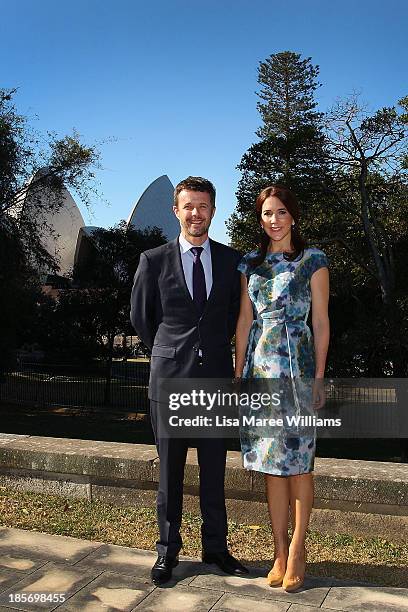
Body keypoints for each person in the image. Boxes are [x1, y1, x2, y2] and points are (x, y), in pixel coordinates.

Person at [130, 176, 248, 585]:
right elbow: (142, 319)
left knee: (214, 472)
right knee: (170, 475)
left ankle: (216, 548)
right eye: (188, 206)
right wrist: (169, 353)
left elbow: (237, 317)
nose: (195, 213)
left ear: (214, 211)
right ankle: (167, 552)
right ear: (175, 210)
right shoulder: (153, 260)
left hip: (215, 382)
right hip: (170, 383)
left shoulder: (233, 261)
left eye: (203, 206)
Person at [235, 185, 329, 592]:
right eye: (267, 214)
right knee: (273, 465)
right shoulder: (250, 265)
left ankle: (297, 548)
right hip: (260, 369)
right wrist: (237, 374)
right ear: (260, 219)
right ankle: (277, 550)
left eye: (281, 212)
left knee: (300, 463)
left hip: (298, 368)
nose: (274, 220)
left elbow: (322, 322)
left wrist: (320, 377)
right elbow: (243, 321)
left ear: (293, 215)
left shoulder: (314, 261)